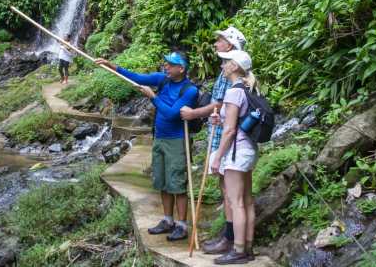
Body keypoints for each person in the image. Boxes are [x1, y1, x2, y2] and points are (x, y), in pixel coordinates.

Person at [95, 52, 198, 241]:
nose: (165, 66)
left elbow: (172, 114)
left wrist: (153, 97)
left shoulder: (189, 90)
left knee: (177, 183)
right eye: (165, 63)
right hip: (159, 138)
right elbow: (136, 77)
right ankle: (168, 220)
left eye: (170, 64)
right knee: (162, 181)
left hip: (177, 141)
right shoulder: (163, 79)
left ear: (181, 69)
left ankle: (182, 225)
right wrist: (111, 65)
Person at [178, 26, 246, 254]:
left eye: (220, 40)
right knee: (226, 190)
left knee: (229, 192)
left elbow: (222, 105)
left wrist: (195, 114)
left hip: (225, 139)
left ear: (230, 45)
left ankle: (232, 242)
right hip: (221, 134)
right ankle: (231, 238)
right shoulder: (227, 70)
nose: (215, 44)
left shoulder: (232, 73)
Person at [210, 49, 258, 264]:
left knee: (235, 201)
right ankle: (247, 247)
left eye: (226, 62)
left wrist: (217, 157)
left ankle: (238, 250)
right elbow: (236, 122)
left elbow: (229, 132)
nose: (222, 65)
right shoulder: (249, 87)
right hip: (248, 148)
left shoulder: (233, 92)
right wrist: (219, 120)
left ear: (235, 66)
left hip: (237, 152)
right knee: (247, 201)